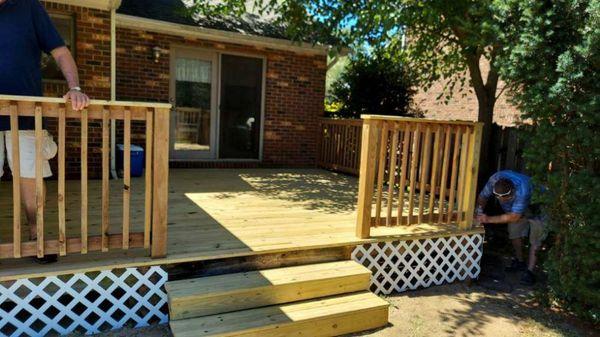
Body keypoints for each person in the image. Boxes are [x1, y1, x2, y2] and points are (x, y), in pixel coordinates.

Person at [0, 0, 90, 263]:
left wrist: (74, 88)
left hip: (27, 113)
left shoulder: (29, 7)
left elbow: (60, 53)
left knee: (31, 177)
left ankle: (36, 236)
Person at [476, 170, 547, 285]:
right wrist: (479, 213)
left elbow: (514, 217)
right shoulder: (494, 180)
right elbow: (482, 198)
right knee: (514, 233)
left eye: (506, 198)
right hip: (516, 210)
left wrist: (487, 219)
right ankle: (520, 261)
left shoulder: (522, 191)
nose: (502, 201)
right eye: (498, 198)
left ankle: (530, 272)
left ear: (513, 191)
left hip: (539, 205)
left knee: (536, 238)